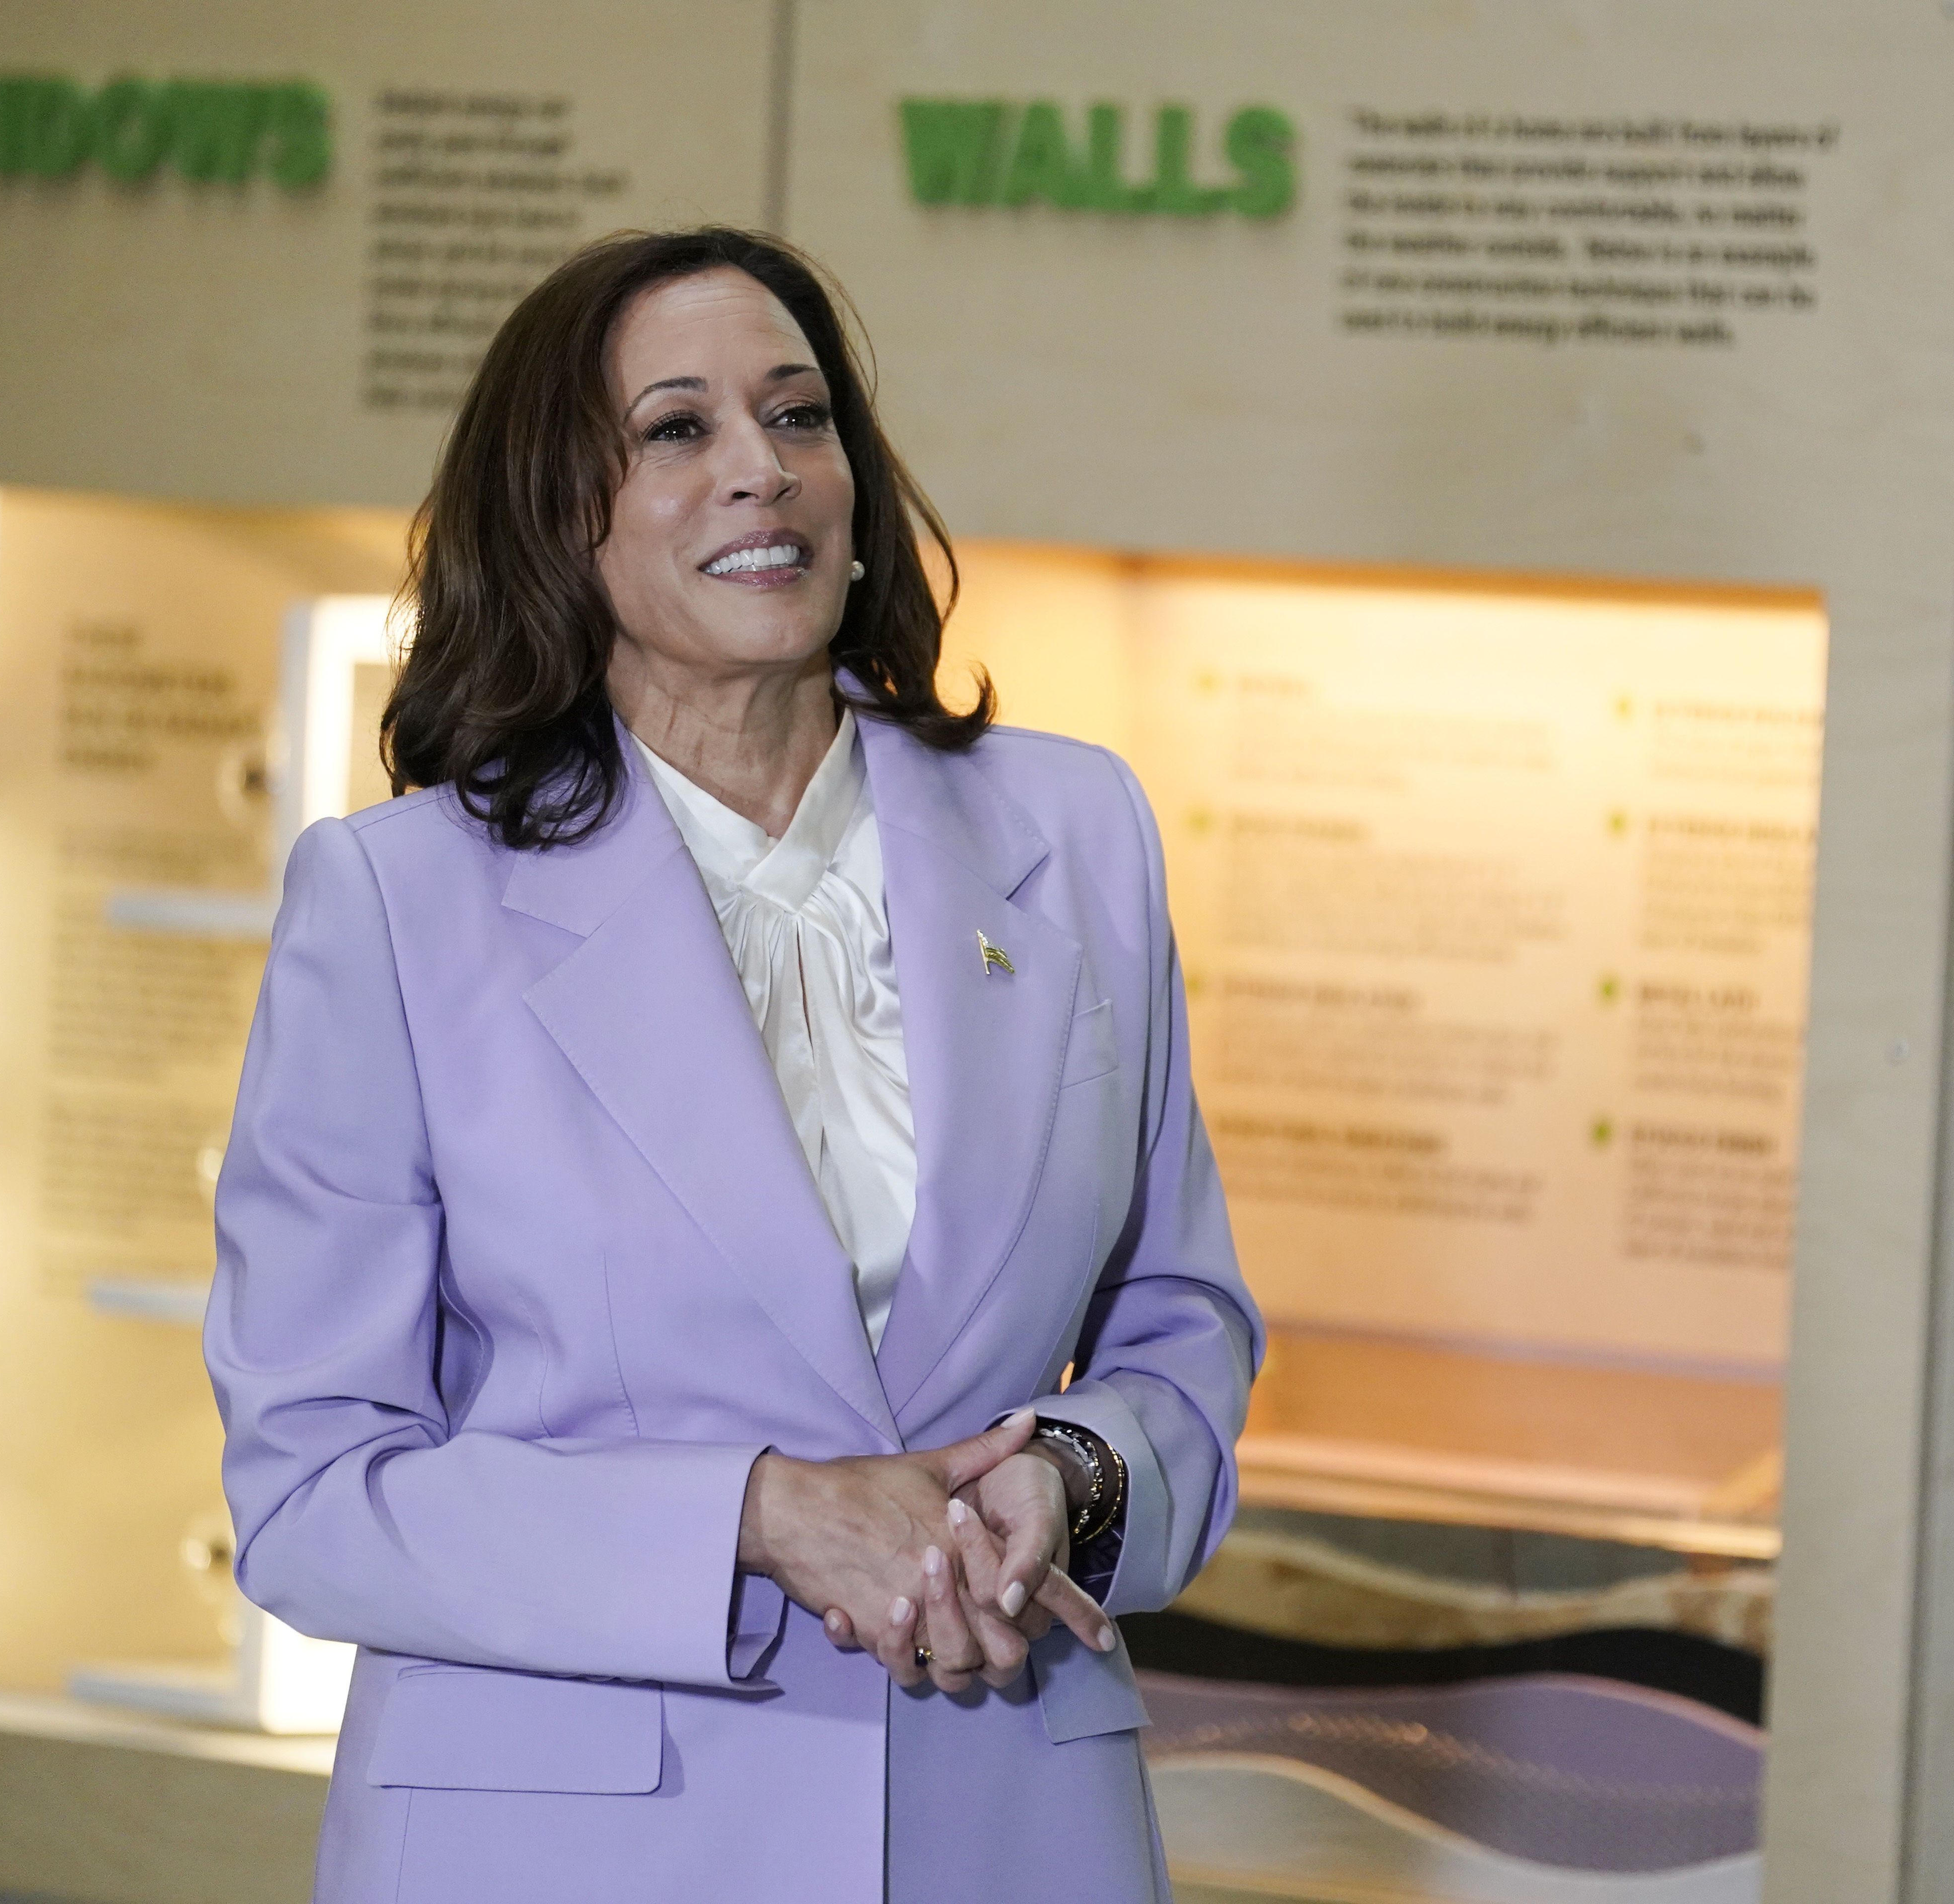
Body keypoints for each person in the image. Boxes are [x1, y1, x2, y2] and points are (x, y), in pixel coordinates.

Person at [204, 226, 1262, 1904]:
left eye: (798, 415)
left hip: (1004, 1822)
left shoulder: (1076, 833)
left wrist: (1073, 1478)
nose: (761, 470)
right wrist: (759, 1518)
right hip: (560, 1849)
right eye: (678, 430)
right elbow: (315, 1490)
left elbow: (1180, 1324)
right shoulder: (396, 905)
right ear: (557, 515)